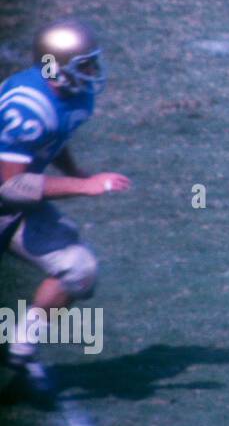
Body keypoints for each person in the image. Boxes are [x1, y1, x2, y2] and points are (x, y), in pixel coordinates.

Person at [0, 19, 131, 392]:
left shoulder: (73, 96)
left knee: (79, 269)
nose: (91, 72)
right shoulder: (28, 105)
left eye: (92, 62)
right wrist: (83, 185)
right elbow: (12, 185)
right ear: (55, 67)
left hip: (13, 205)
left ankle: (21, 348)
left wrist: (75, 170)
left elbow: (53, 140)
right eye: (83, 64)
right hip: (10, 193)